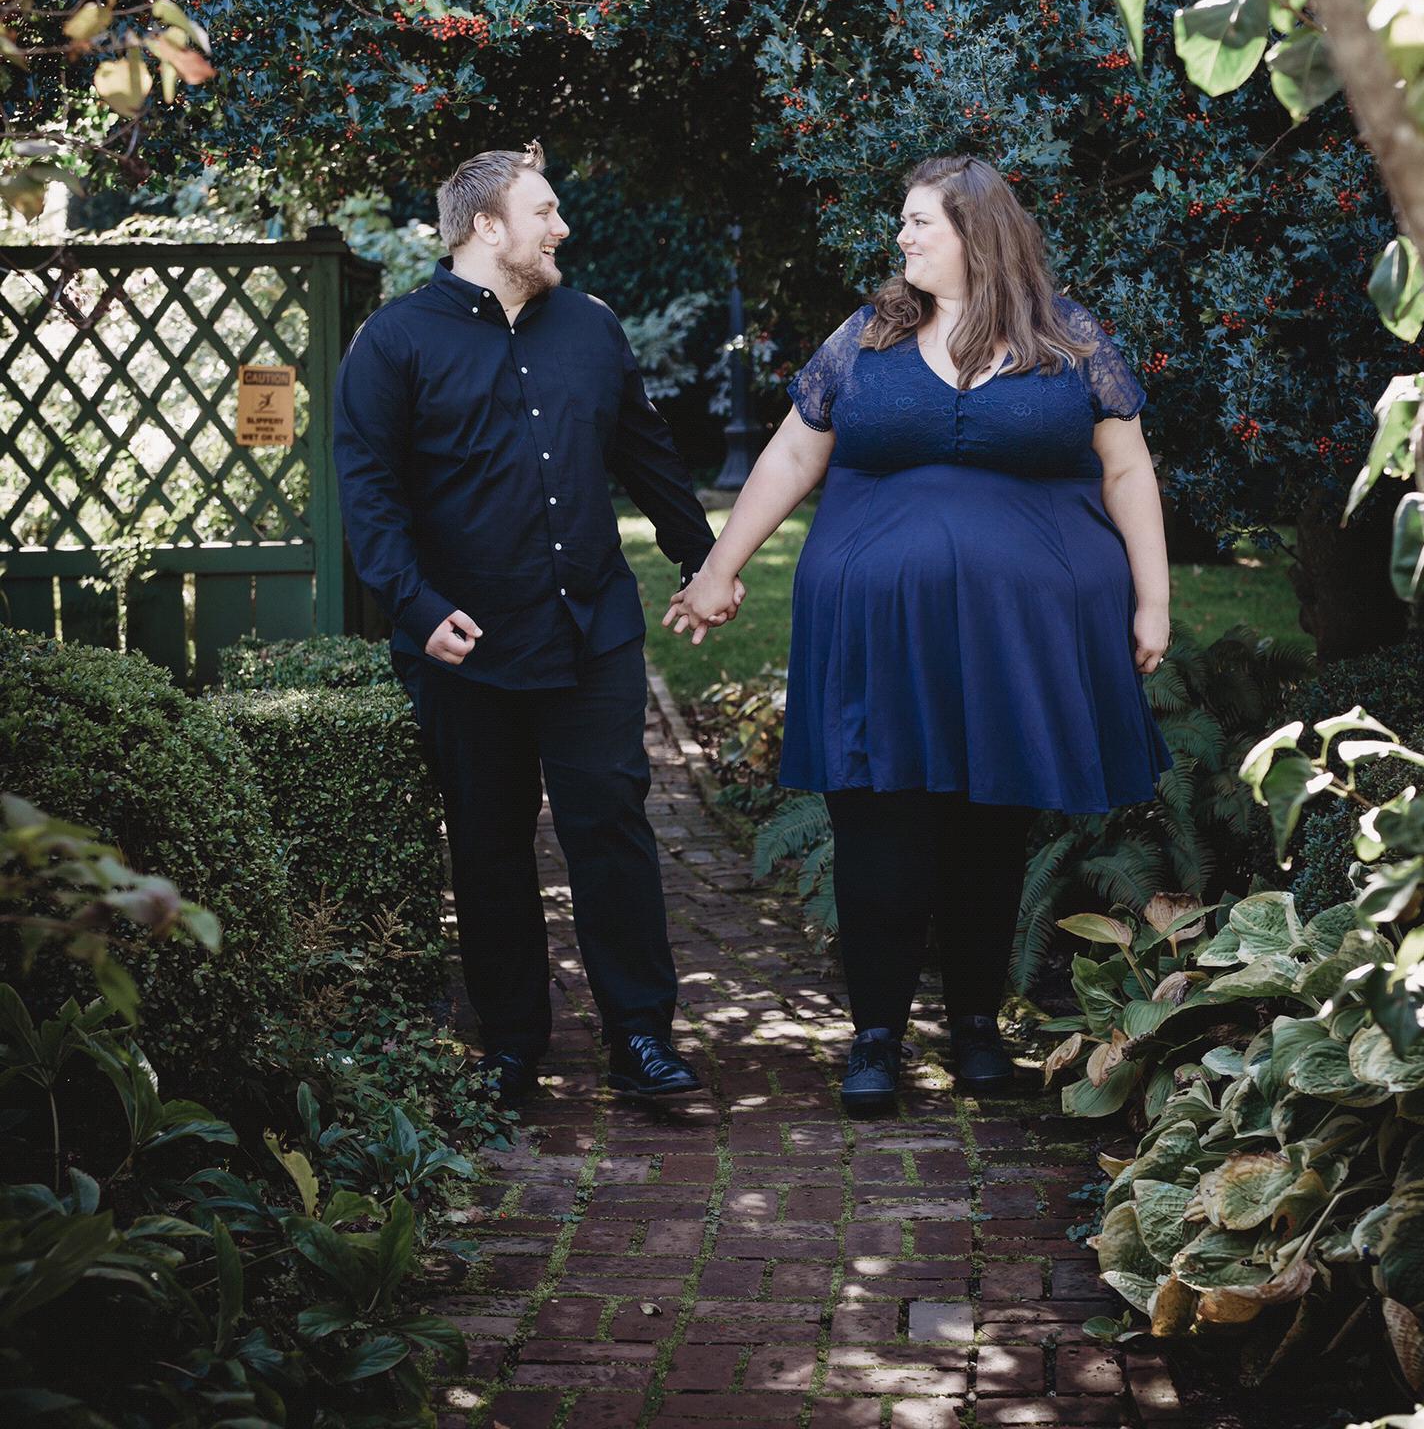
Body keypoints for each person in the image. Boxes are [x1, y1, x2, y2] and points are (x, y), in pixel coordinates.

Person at [666, 153, 1174, 1116]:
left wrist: (1153, 601)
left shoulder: (1068, 340)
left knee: (992, 824)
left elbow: (1126, 470)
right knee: (878, 820)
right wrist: (720, 569)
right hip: (878, 634)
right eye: (903, 221)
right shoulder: (869, 336)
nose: (901, 237)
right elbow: (793, 452)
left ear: (978, 233)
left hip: (1020, 637)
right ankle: (876, 1036)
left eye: (919, 222)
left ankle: (976, 1027)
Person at [334, 142, 740, 1106]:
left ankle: (640, 1039)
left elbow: (646, 455)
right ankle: (512, 1046)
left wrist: (705, 563)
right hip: (465, 643)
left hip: (593, 632)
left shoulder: (591, 327)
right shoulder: (394, 342)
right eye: (544, 211)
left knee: (612, 831)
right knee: (487, 844)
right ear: (487, 225)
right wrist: (416, 607)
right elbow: (369, 494)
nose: (562, 227)